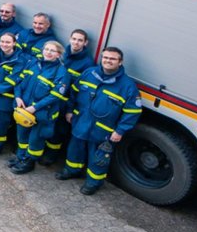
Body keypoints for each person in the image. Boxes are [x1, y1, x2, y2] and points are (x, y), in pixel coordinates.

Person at [56, 46, 141, 195]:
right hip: (81, 122)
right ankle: (71, 170)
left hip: (103, 130)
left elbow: (132, 112)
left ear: (120, 62)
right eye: (105, 57)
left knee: (99, 158)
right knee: (75, 149)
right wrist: (69, 111)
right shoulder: (89, 73)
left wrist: (120, 130)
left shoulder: (128, 86)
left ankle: (93, 182)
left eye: (112, 58)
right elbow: (74, 93)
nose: (108, 61)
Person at [9, 40, 70, 175]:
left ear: (59, 54)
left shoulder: (61, 72)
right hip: (23, 109)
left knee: (35, 140)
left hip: (42, 113)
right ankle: (21, 157)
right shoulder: (33, 64)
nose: (48, 52)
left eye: (52, 50)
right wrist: (18, 97)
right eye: (46, 49)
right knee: (22, 136)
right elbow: (18, 81)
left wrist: (34, 108)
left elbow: (55, 96)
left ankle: (29, 162)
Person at [42, 29, 96, 165]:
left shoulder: (88, 64)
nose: (76, 43)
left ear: (85, 43)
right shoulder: (62, 54)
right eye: (74, 39)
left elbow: (81, 90)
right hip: (51, 98)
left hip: (65, 102)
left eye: (80, 40)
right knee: (46, 125)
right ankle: (41, 149)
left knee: (59, 130)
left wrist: (70, 109)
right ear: (70, 39)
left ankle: (51, 155)